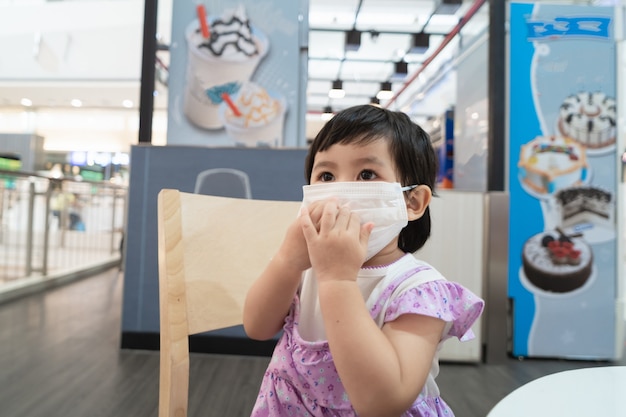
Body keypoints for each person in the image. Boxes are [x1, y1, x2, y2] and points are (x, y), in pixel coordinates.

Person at [243, 104, 484, 417]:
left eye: (367, 174)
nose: (339, 193)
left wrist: (337, 280)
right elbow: (257, 327)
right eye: (326, 175)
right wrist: (288, 259)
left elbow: (383, 402)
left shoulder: (419, 291)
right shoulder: (305, 268)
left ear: (412, 201)